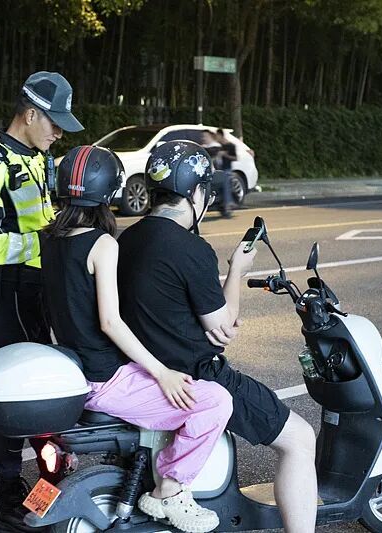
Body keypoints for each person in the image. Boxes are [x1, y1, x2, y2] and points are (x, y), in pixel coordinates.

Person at [117, 141, 318, 533]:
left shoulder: (127, 239)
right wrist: (237, 271)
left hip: (143, 370)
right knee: (300, 438)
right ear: (196, 193)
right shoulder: (191, 249)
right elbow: (223, 327)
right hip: (196, 375)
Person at [40, 145, 233, 533]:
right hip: (105, 376)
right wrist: (162, 372)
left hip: (75, 369)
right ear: (111, 191)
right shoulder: (102, 243)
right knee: (214, 402)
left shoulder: (49, 239)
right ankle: (171, 492)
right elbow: (111, 323)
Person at [0, 71, 84, 532]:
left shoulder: (39, 158)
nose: (58, 133)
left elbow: (44, 215)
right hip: (5, 289)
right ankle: (10, 498)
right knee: (17, 390)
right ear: (30, 114)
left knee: (47, 379)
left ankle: (49, 482)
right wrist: (48, 243)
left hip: (37, 284)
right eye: (53, 123)